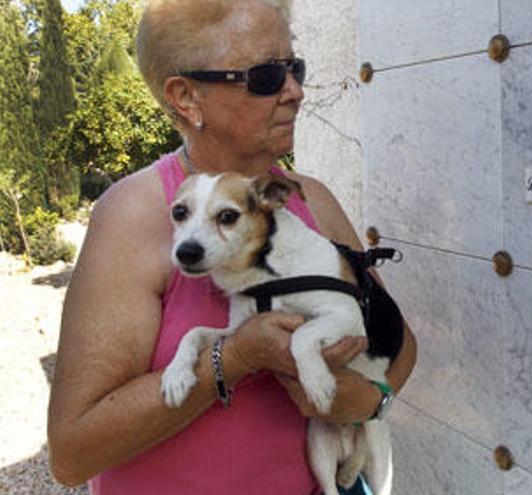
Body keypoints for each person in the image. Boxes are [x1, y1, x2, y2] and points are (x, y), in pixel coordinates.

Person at [47, 0, 416, 493]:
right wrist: (236, 357)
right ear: (186, 97)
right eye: (266, 76)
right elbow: (72, 454)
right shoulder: (132, 216)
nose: (296, 91)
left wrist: (372, 402)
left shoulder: (312, 201)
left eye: (295, 67)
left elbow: (401, 346)